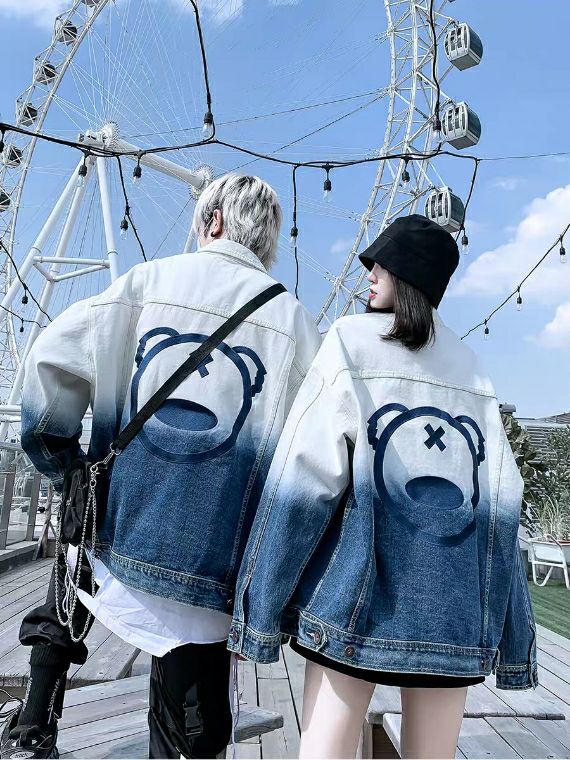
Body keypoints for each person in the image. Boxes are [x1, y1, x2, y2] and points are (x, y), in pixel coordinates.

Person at [0, 173, 322, 760]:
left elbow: (50, 364)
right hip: (216, 561)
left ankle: (36, 719)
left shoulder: (145, 283)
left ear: (213, 221)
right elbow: (313, 460)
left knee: (71, 581)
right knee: (191, 715)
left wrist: (63, 461)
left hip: (119, 529)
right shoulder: (295, 323)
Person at [227, 215, 538, 759]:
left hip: (356, 602)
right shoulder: (472, 368)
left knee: (323, 753)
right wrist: (513, 640)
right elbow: (501, 511)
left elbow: (302, 484)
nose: (369, 274)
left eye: (382, 264)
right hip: (452, 615)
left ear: (410, 275)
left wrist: (260, 607)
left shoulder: (351, 341)